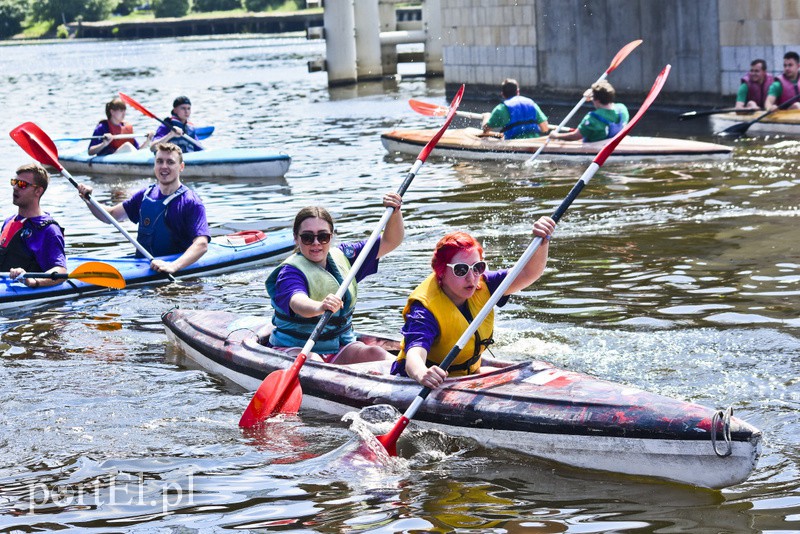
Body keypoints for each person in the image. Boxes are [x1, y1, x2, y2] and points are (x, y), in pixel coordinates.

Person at [392, 217, 555, 388]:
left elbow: (529, 272)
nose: (471, 278)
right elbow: (414, 356)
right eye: (460, 270)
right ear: (441, 272)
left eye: (477, 267)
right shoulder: (424, 310)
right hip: (422, 382)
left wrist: (542, 241)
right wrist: (422, 373)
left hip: (467, 375)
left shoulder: (485, 284)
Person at [265, 195, 404, 365]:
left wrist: (395, 213)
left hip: (339, 346)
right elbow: (297, 302)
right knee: (314, 361)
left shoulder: (346, 257)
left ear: (331, 237)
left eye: (323, 236)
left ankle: (410, 376)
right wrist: (320, 306)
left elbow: (391, 241)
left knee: (375, 352)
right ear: (296, 238)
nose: (316, 243)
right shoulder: (289, 272)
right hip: (298, 348)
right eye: (307, 237)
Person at [77, 142, 209, 275]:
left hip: (171, 266)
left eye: (170, 162)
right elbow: (111, 215)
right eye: (159, 161)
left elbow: (202, 244)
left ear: (181, 167)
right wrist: (89, 199)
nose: (164, 166)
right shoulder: (145, 195)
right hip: (144, 267)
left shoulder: (190, 202)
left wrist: (173, 266)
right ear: (154, 165)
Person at [0, 163, 67, 288]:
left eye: (22, 184)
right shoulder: (9, 222)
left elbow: (61, 270)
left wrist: (34, 281)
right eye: (14, 182)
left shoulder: (49, 229)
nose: (15, 187)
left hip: (24, 295)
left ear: (38, 191)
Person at [549, 80, 629, 143]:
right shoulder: (622, 109)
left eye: (593, 98)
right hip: (613, 141)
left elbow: (576, 136)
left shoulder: (592, 119)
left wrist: (556, 136)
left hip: (594, 146)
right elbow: (604, 96)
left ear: (596, 100)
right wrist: (593, 95)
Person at [481, 78, 550, 139]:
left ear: (503, 94)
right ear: (518, 92)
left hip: (514, 143)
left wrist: (486, 117)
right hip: (534, 141)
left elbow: (486, 130)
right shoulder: (531, 103)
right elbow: (545, 128)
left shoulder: (500, 109)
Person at [88, 97, 154, 156]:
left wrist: (148, 141)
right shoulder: (102, 127)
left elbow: (137, 150)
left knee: (129, 146)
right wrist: (104, 144)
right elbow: (90, 152)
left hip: (125, 157)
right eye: (121, 111)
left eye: (124, 110)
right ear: (112, 112)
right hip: (108, 158)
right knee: (127, 146)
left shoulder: (125, 127)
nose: (124, 113)